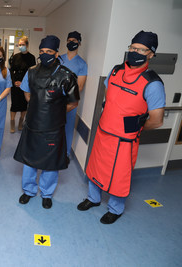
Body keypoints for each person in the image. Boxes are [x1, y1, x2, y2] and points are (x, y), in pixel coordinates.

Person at [78, 31, 165, 224]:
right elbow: (109, 98)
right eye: (133, 48)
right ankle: (93, 199)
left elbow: (157, 120)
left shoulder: (152, 83)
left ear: (151, 54)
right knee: (95, 167)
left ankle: (115, 209)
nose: (135, 52)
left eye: (141, 50)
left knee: (119, 176)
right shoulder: (116, 71)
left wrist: (136, 129)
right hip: (103, 132)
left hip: (124, 141)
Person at [14, 35, 79, 209]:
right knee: (29, 160)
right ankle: (28, 191)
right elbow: (27, 93)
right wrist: (37, 106)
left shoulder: (67, 76)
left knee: (50, 164)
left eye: (49, 52)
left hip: (53, 127)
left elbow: (73, 102)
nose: (44, 55)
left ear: (57, 53)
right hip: (33, 123)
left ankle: (47, 193)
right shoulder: (31, 72)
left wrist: (54, 111)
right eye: (42, 51)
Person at [61, 31, 88, 161]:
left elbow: (80, 86)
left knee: (68, 128)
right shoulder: (58, 59)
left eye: (75, 41)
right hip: (55, 99)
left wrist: (68, 101)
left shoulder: (82, 64)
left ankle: (65, 154)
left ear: (79, 43)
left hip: (70, 102)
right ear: (66, 41)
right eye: (69, 40)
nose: (71, 42)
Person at [9, 36, 36, 133]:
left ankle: (21, 122)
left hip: (25, 85)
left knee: (24, 105)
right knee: (14, 105)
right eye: (19, 45)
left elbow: (32, 72)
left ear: (27, 45)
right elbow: (11, 70)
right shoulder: (15, 56)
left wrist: (23, 83)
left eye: (23, 45)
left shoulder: (31, 58)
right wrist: (14, 82)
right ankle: (12, 123)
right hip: (15, 85)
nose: (21, 46)